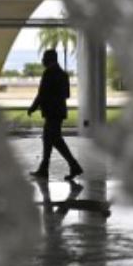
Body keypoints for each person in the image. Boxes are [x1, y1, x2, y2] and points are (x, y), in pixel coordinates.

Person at [28, 49, 83, 179]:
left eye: (44, 58)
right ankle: (44, 169)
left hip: (51, 113)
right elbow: (67, 95)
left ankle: (74, 166)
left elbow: (41, 95)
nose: (42, 60)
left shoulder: (48, 73)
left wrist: (33, 107)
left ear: (49, 59)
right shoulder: (64, 74)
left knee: (55, 140)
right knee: (49, 139)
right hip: (59, 112)